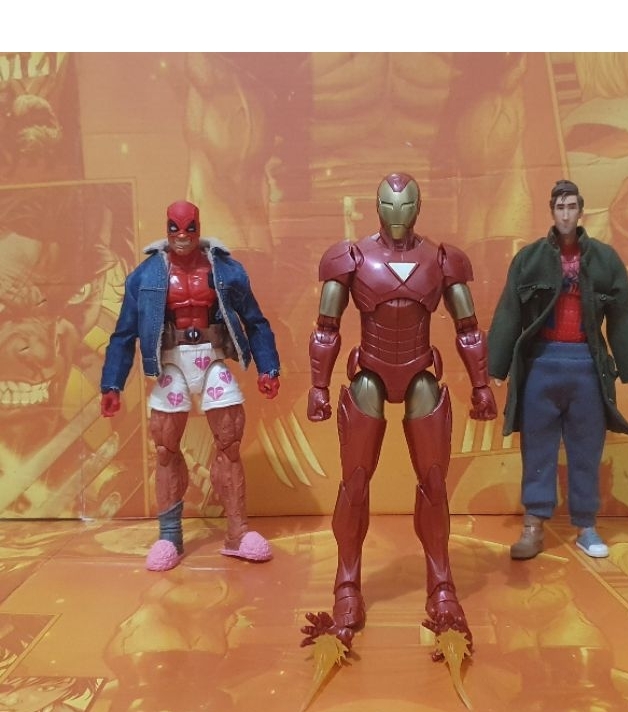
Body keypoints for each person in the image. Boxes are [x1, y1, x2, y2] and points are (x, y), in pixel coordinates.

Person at [304, 172, 497, 647]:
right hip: (369, 373)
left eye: (406, 206)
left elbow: (469, 328)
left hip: (420, 373)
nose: (397, 215)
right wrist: (318, 387)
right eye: (389, 206)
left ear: (418, 208)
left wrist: (481, 385)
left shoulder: (442, 259)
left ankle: (441, 584)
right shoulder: (352, 258)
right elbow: (326, 327)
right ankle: (347, 585)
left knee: (434, 482)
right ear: (376, 207)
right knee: (354, 482)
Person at [99, 200, 281, 571]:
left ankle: (237, 532)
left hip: (212, 358)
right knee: (165, 447)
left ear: (199, 227)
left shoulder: (225, 269)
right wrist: (112, 384)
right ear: (166, 228)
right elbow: (124, 333)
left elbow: (255, 321)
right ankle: (169, 536)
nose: (182, 236)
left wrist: (268, 367)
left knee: (230, 442)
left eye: (189, 228)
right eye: (175, 228)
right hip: (172, 361)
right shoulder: (145, 275)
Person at [488, 179, 628, 560]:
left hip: (586, 367)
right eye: (560, 207)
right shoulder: (528, 259)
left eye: (571, 207)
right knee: (537, 447)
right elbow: (509, 311)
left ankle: (586, 525)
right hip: (541, 365)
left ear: (581, 211)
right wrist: (496, 365)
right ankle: (533, 523)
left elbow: (625, 317)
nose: (565, 214)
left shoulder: (605, 259)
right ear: (551, 211)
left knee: (586, 448)